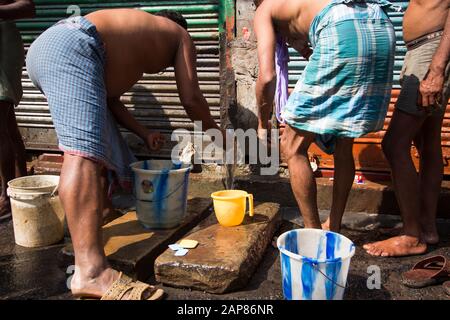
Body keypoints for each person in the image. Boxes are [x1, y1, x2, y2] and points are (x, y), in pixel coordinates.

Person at [26, 9, 222, 300]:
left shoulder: (130, 38)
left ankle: (103, 211)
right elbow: (191, 97)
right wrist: (217, 135)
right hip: (74, 44)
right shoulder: (179, 34)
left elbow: (110, 101)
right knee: (82, 154)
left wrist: (144, 133)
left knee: (95, 138)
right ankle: (90, 272)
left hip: (46, 48)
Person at [254, 0, 395, 232]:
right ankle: (334, 226)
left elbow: (267, 77)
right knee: (343, 141)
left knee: (292, 145)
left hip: (339, 26)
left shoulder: (264, 8)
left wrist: (261, 123)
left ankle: (314, 234)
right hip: (380, 25)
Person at [364, 0, 450, 257]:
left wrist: (436, 69)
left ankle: (412, 235)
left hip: (432, 53)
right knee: (427, 142)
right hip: (423, 50)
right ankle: (426, 227)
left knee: (394, 144)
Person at [0, 0, 35, 220]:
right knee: (8, 123)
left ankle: (6, 196)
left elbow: (29, 7)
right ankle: (23, 184)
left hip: (3, 41)